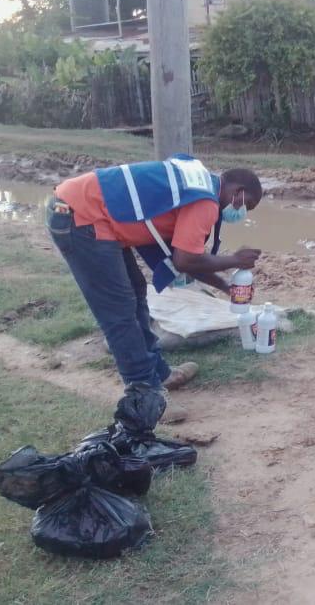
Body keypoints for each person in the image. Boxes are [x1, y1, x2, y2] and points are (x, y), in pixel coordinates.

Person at [47, 157, 264, 426]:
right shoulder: (205, 202)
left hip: (96, 214)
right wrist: (235, 260)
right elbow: (186, 260)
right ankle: (145, 397)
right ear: (237, 193)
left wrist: (225, 286)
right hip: (82, 215)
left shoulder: (201, 185)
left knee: (136, 293)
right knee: (119, 310)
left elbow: (187, 257)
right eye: (247, 205)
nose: (242, 213)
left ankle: (159, 375)